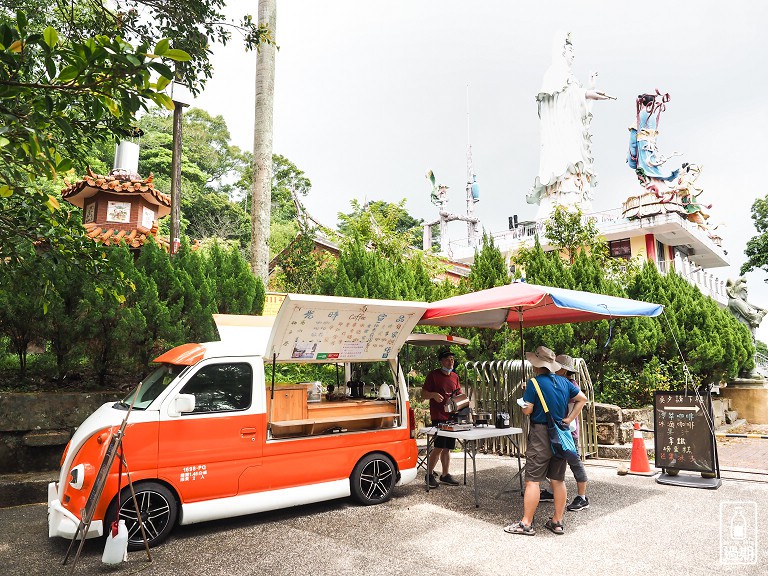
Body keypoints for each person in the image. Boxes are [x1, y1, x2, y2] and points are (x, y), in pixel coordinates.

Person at [527, 31, 615, 221]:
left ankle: (577, 195)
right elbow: (562, 99)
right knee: (565, 164)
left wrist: (589, 90)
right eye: (569, 50)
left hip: (571, 129)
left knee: (576, 162)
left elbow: (575, 101)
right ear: (561, 52)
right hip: (560, 134)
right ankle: (561, 197)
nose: (573, 55)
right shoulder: (554, 74)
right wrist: (587, 93)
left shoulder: (569, 77)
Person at [504, 346, 587, 536]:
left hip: (541, 434)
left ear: (536, 364)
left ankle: (526, 523)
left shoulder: (534, 383)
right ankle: (557, 522)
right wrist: (569, 418)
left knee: (533, 481)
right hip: (560, 433)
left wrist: (523, 401)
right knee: (557, 479)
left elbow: (528, 410)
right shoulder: (564, 382)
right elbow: (582, 399)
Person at [539, 354, 590, 511]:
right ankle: (551, 491)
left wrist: (569, 419)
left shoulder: (569, 384)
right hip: (559, 431)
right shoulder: (560, 382)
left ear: (562, 369)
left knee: (575, 463)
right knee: (556, 461)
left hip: (568, 433)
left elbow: (583, 400)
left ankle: (582, 497)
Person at [421, 348, 462, 488]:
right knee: (438, 446)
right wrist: (432, 395)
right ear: (441, 362)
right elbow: (423, 394)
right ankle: (429, 474)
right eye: (447, 359)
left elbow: (458, 395)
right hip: (439, 417)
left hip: (452, 417)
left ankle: (445, 475)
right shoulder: (433, 375)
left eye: (452, 359)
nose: (450, 361)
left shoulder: (455, 377)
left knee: (448, 448)